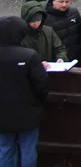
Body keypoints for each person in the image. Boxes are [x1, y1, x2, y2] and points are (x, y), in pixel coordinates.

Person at [0, 16, 48, 167]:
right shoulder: (29, 56)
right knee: (28, 149)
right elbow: (42, 86)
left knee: (5, 149)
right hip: (27, 112)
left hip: (2, 114)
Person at [44, 0, 81, 65]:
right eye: (61, 2)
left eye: (67, 1)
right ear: (53, 1)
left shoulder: (74, 12)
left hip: (75, 58)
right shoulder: (45, 18)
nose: (64, 4)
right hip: (57, 60)